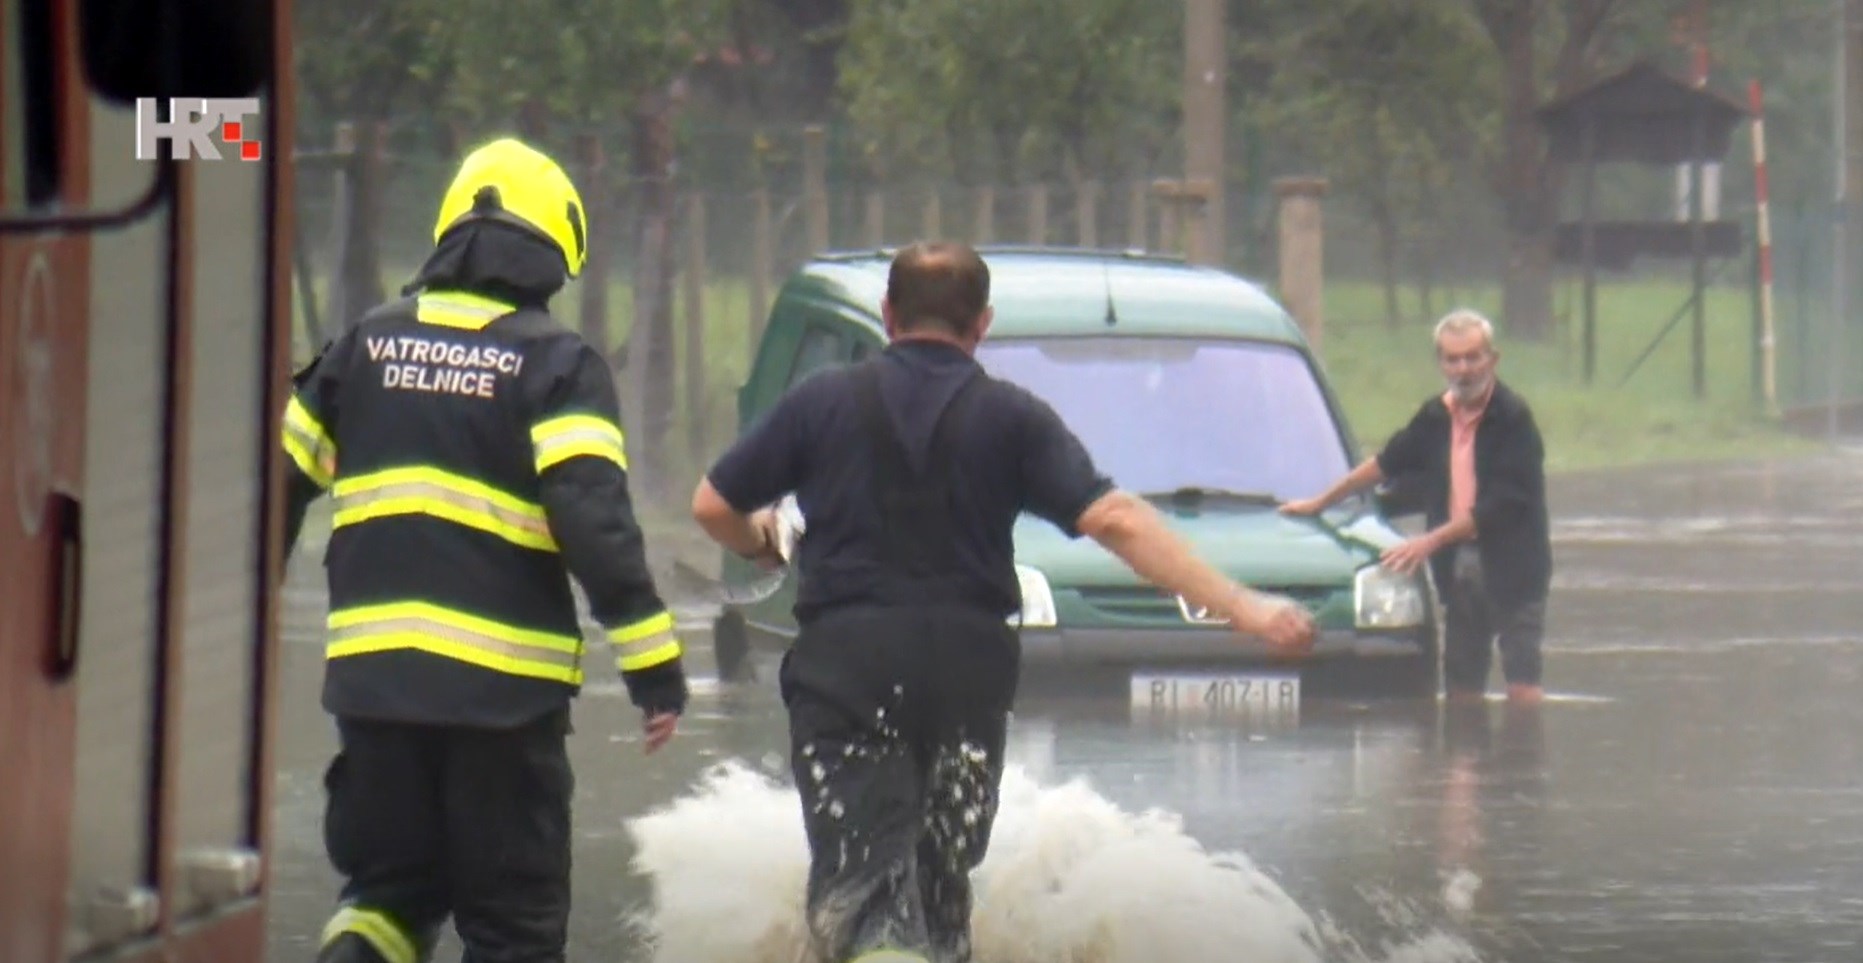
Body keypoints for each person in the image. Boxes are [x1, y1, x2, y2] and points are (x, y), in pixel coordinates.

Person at [689, 241, 1317, 963]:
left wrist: (761, 540)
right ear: (981, 324)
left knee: (862, 892)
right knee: (940, 888)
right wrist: (1244, 606)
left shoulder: (821, 402)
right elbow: (1116, 519)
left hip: (848, 670)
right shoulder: (1013, 416)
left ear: (887, 314)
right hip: (968, 672)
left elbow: (711, 505)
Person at [280, 136, 690, 963]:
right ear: (550, 253)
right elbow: (593, 521)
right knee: (513, 926)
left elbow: (272, 493)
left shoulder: (363, 345)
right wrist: (654, 667)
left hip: (374, 688)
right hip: (502, 707)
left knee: (383, 901)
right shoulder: (556, 364)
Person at [1281, 308, 1550, 705]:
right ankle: (1462, 765)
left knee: (1522, 687)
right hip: (1457, 567)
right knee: (1461, 689)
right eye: (1453, 359)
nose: (1464, 370)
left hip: (1514, 567)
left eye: (1473, 358)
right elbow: (1386, 463)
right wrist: (1321, 502)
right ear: (1441, 363)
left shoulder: (1514, 419)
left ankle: (1524, 761)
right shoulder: (1434, 415)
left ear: (1493, 360)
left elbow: (1502, 506)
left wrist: (1427, 542)